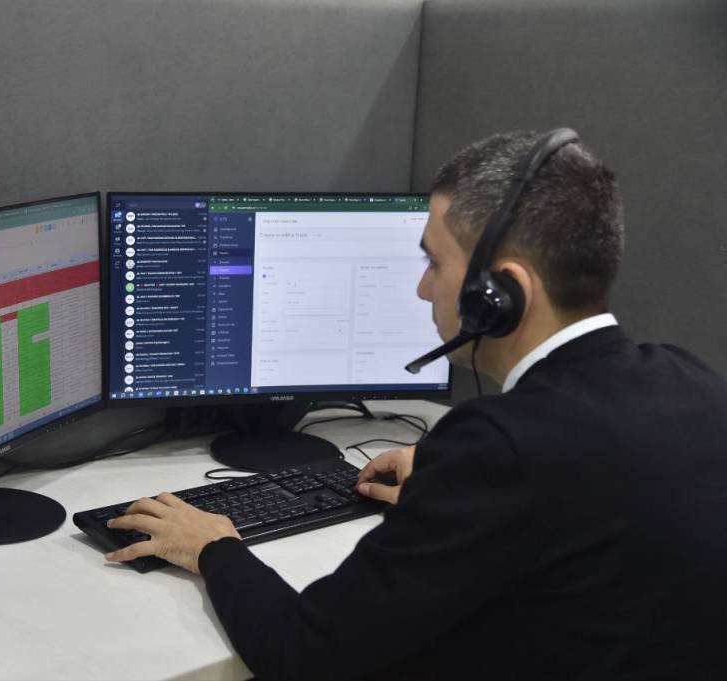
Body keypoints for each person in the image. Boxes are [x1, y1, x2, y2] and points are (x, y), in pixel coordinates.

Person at [104, 131, 727, 679]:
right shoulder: (690, 382)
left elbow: (305, 654)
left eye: (434, 262)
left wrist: (212, 545)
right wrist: (454, 494)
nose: (423, 287)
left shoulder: (500, 448)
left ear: (500, 293)